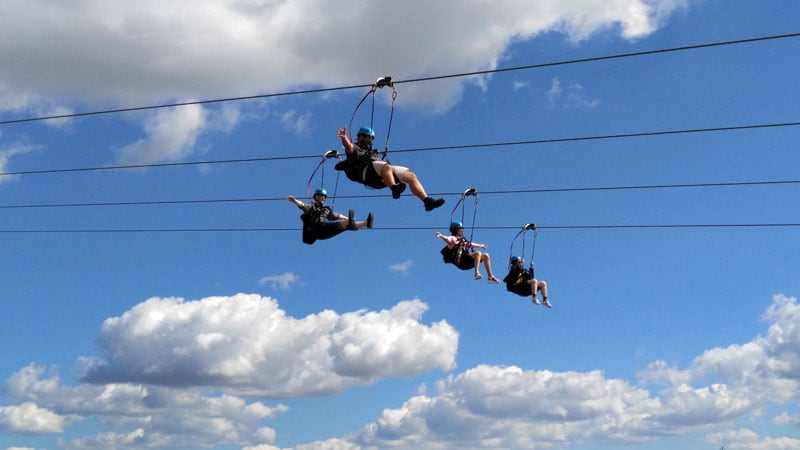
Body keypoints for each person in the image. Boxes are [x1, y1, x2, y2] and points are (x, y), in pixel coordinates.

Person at [336, 126, 445, 211]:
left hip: (380, 175)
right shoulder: (355, 149)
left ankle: (427, 202)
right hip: (368, 174)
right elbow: (348, 147)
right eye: (367, 137)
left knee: (411, 175)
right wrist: (344, 137)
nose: (369, 140)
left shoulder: (371, 152)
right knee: (386, 166)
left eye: (371, 138)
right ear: (360, 137)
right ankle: (394, 188)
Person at [287, 188, 373, 245]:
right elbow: (302, 205)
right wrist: (294, 201)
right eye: (321, 196)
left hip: (325, 233)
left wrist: (347, 218)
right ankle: (349, 222)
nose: (323, 198)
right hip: (316, 230)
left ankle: (365, 223)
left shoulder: (326, 210)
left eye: (324, 197)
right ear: (316, 197)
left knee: (345, 226)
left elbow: (337, 215)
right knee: (330, 224)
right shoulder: (311, 207)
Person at [435, 221, 500, 283]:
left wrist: (480, 245)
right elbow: (447, 239)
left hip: (468, 261)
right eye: (461, 228)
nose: (462, 230)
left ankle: (490, 277)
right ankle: (476, 273)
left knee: (486, 255)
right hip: (462, 262)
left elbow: (470, 244)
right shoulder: (453, 239)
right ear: (456, 229)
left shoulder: (462, 239)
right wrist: (441, 235)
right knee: (478, 253)